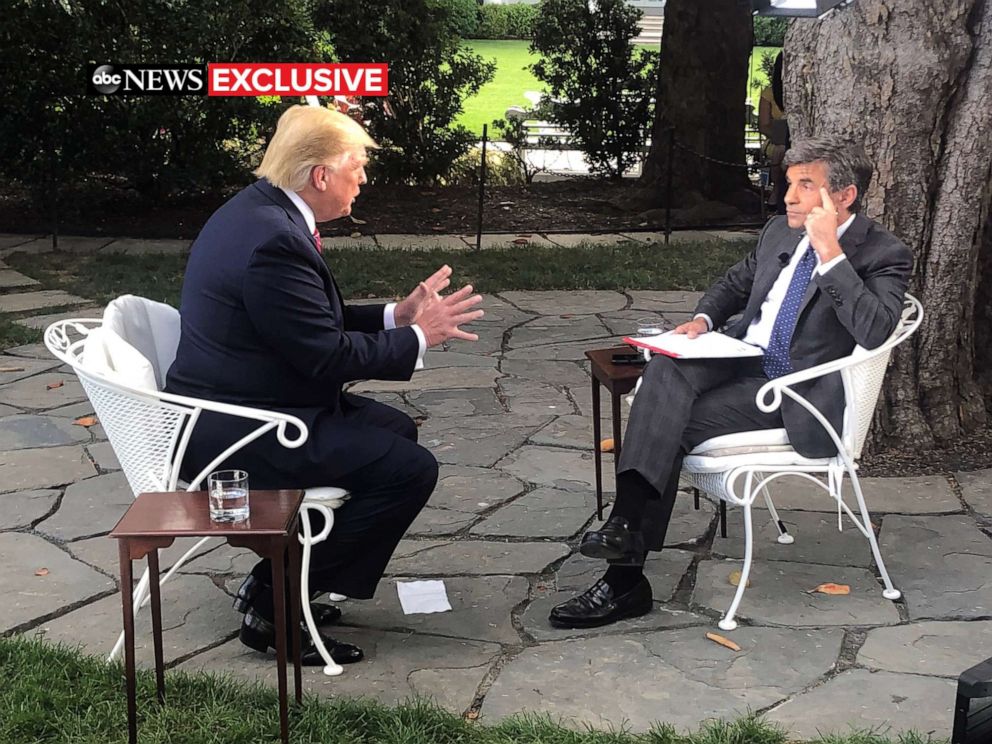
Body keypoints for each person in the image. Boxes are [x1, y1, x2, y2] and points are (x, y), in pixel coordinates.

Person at [548, 137, 912, 629]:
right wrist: (702, 320)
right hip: (739, 361)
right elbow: (734, 284)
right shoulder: (778, 234)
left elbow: (875, 329)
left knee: (667, 419)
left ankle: (624, 571)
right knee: (665, 366)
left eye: (806, 186)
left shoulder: (883, 253)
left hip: (794, 390)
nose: (788, 197)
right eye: (789, 183)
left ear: (843, 196)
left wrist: (829, 251)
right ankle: (626, 531)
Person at [166, 104, 484, 663]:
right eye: (357, 166)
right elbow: (324, 357)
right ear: (321, 175)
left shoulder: (258, 212)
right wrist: (422, 338)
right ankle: (276, 601)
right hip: (241, 433)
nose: (363, 178)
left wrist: (397, 317)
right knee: (410, 470)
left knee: (396, 430)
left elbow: (304, 323)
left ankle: (293, 575)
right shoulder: (274, 242)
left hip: (241, 407)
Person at [758, 52, 789, 212]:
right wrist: (779, 136)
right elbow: (764, 125)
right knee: (780, 151)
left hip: (798, 141)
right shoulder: (769, 93)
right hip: (777, 140)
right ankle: (777, 191)